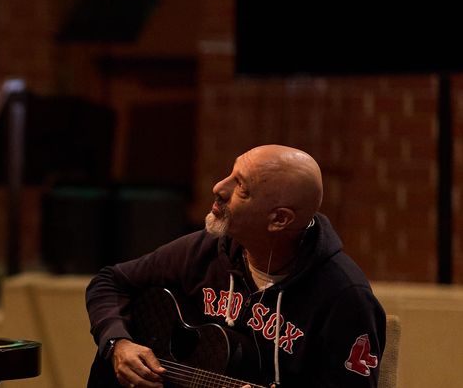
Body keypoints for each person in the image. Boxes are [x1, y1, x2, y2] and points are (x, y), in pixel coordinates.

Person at [86, 145, 386, 388]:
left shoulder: (345, 297)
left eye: (241, 186)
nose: (218, 187)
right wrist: (118, 343)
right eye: (230, 174)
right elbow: (110, 281)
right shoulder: (205, 249)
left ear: (279, 219)